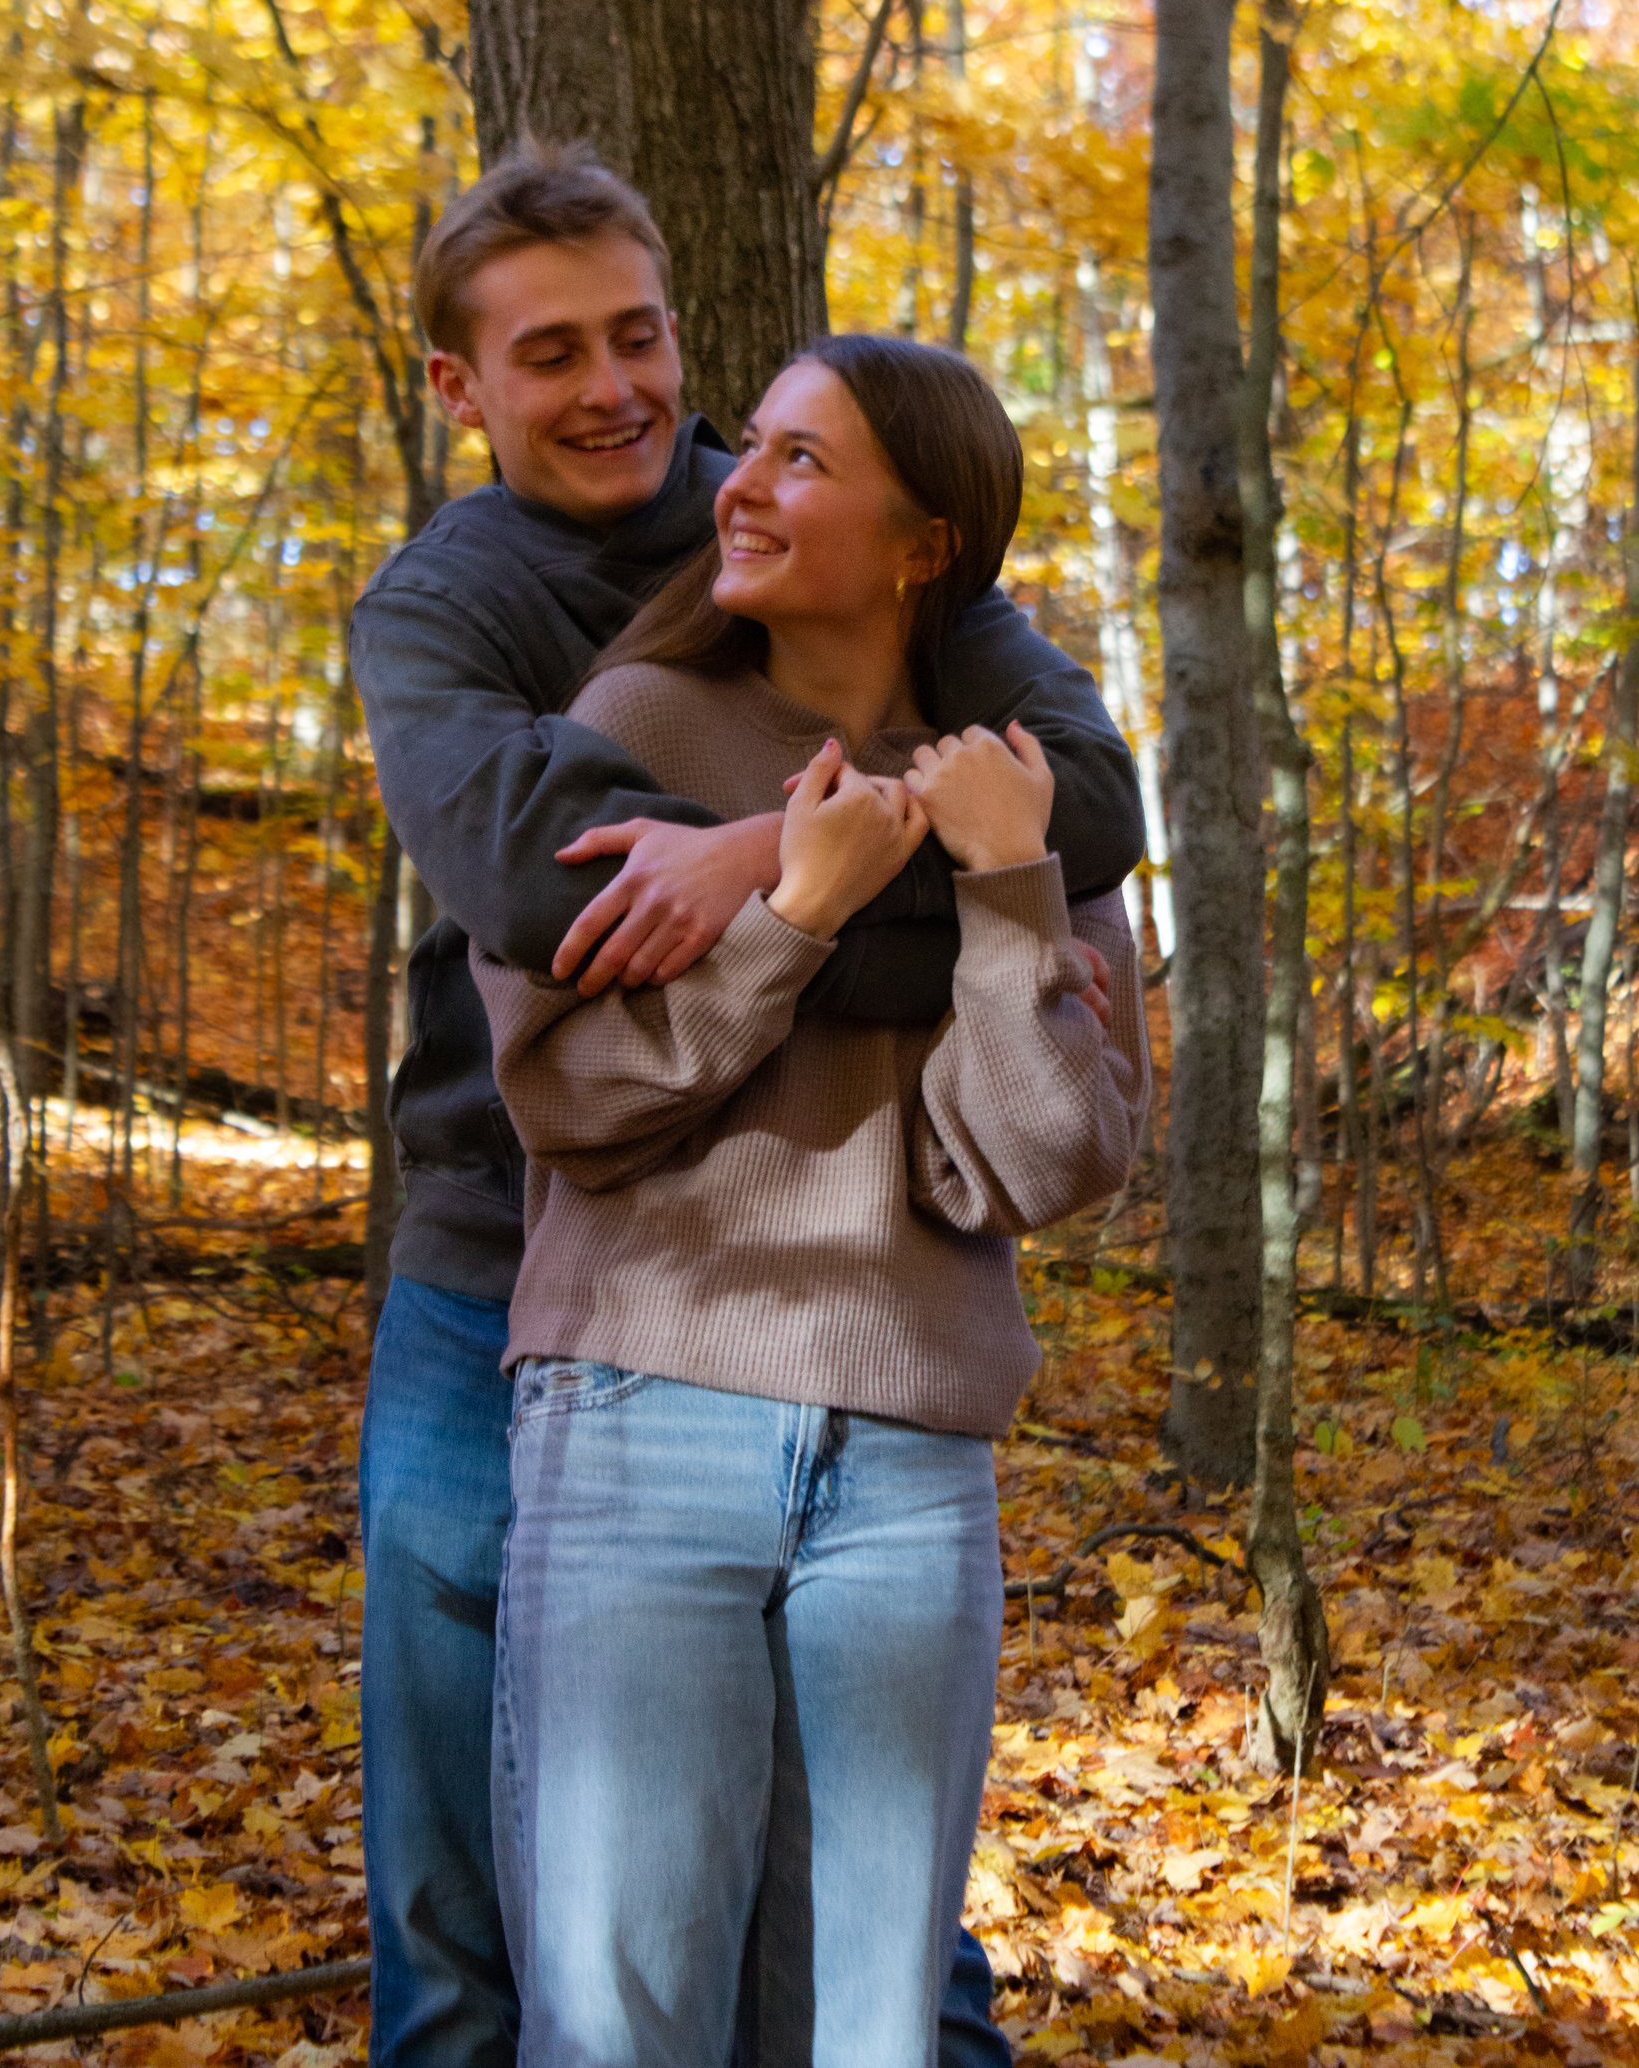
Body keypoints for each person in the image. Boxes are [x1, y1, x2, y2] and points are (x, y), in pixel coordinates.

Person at [348, 143, 1147, 2068]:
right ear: (463, 389)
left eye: (643, 337)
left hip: (895, 1374)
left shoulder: (928, 616)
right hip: (531, 1283)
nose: (620, 390)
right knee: (490, 1915)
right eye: (552, 355)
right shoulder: (453, 617)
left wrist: (921, 873)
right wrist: (785, 867)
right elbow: (557, 898)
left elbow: (1094, 812)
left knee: (886, 1987)